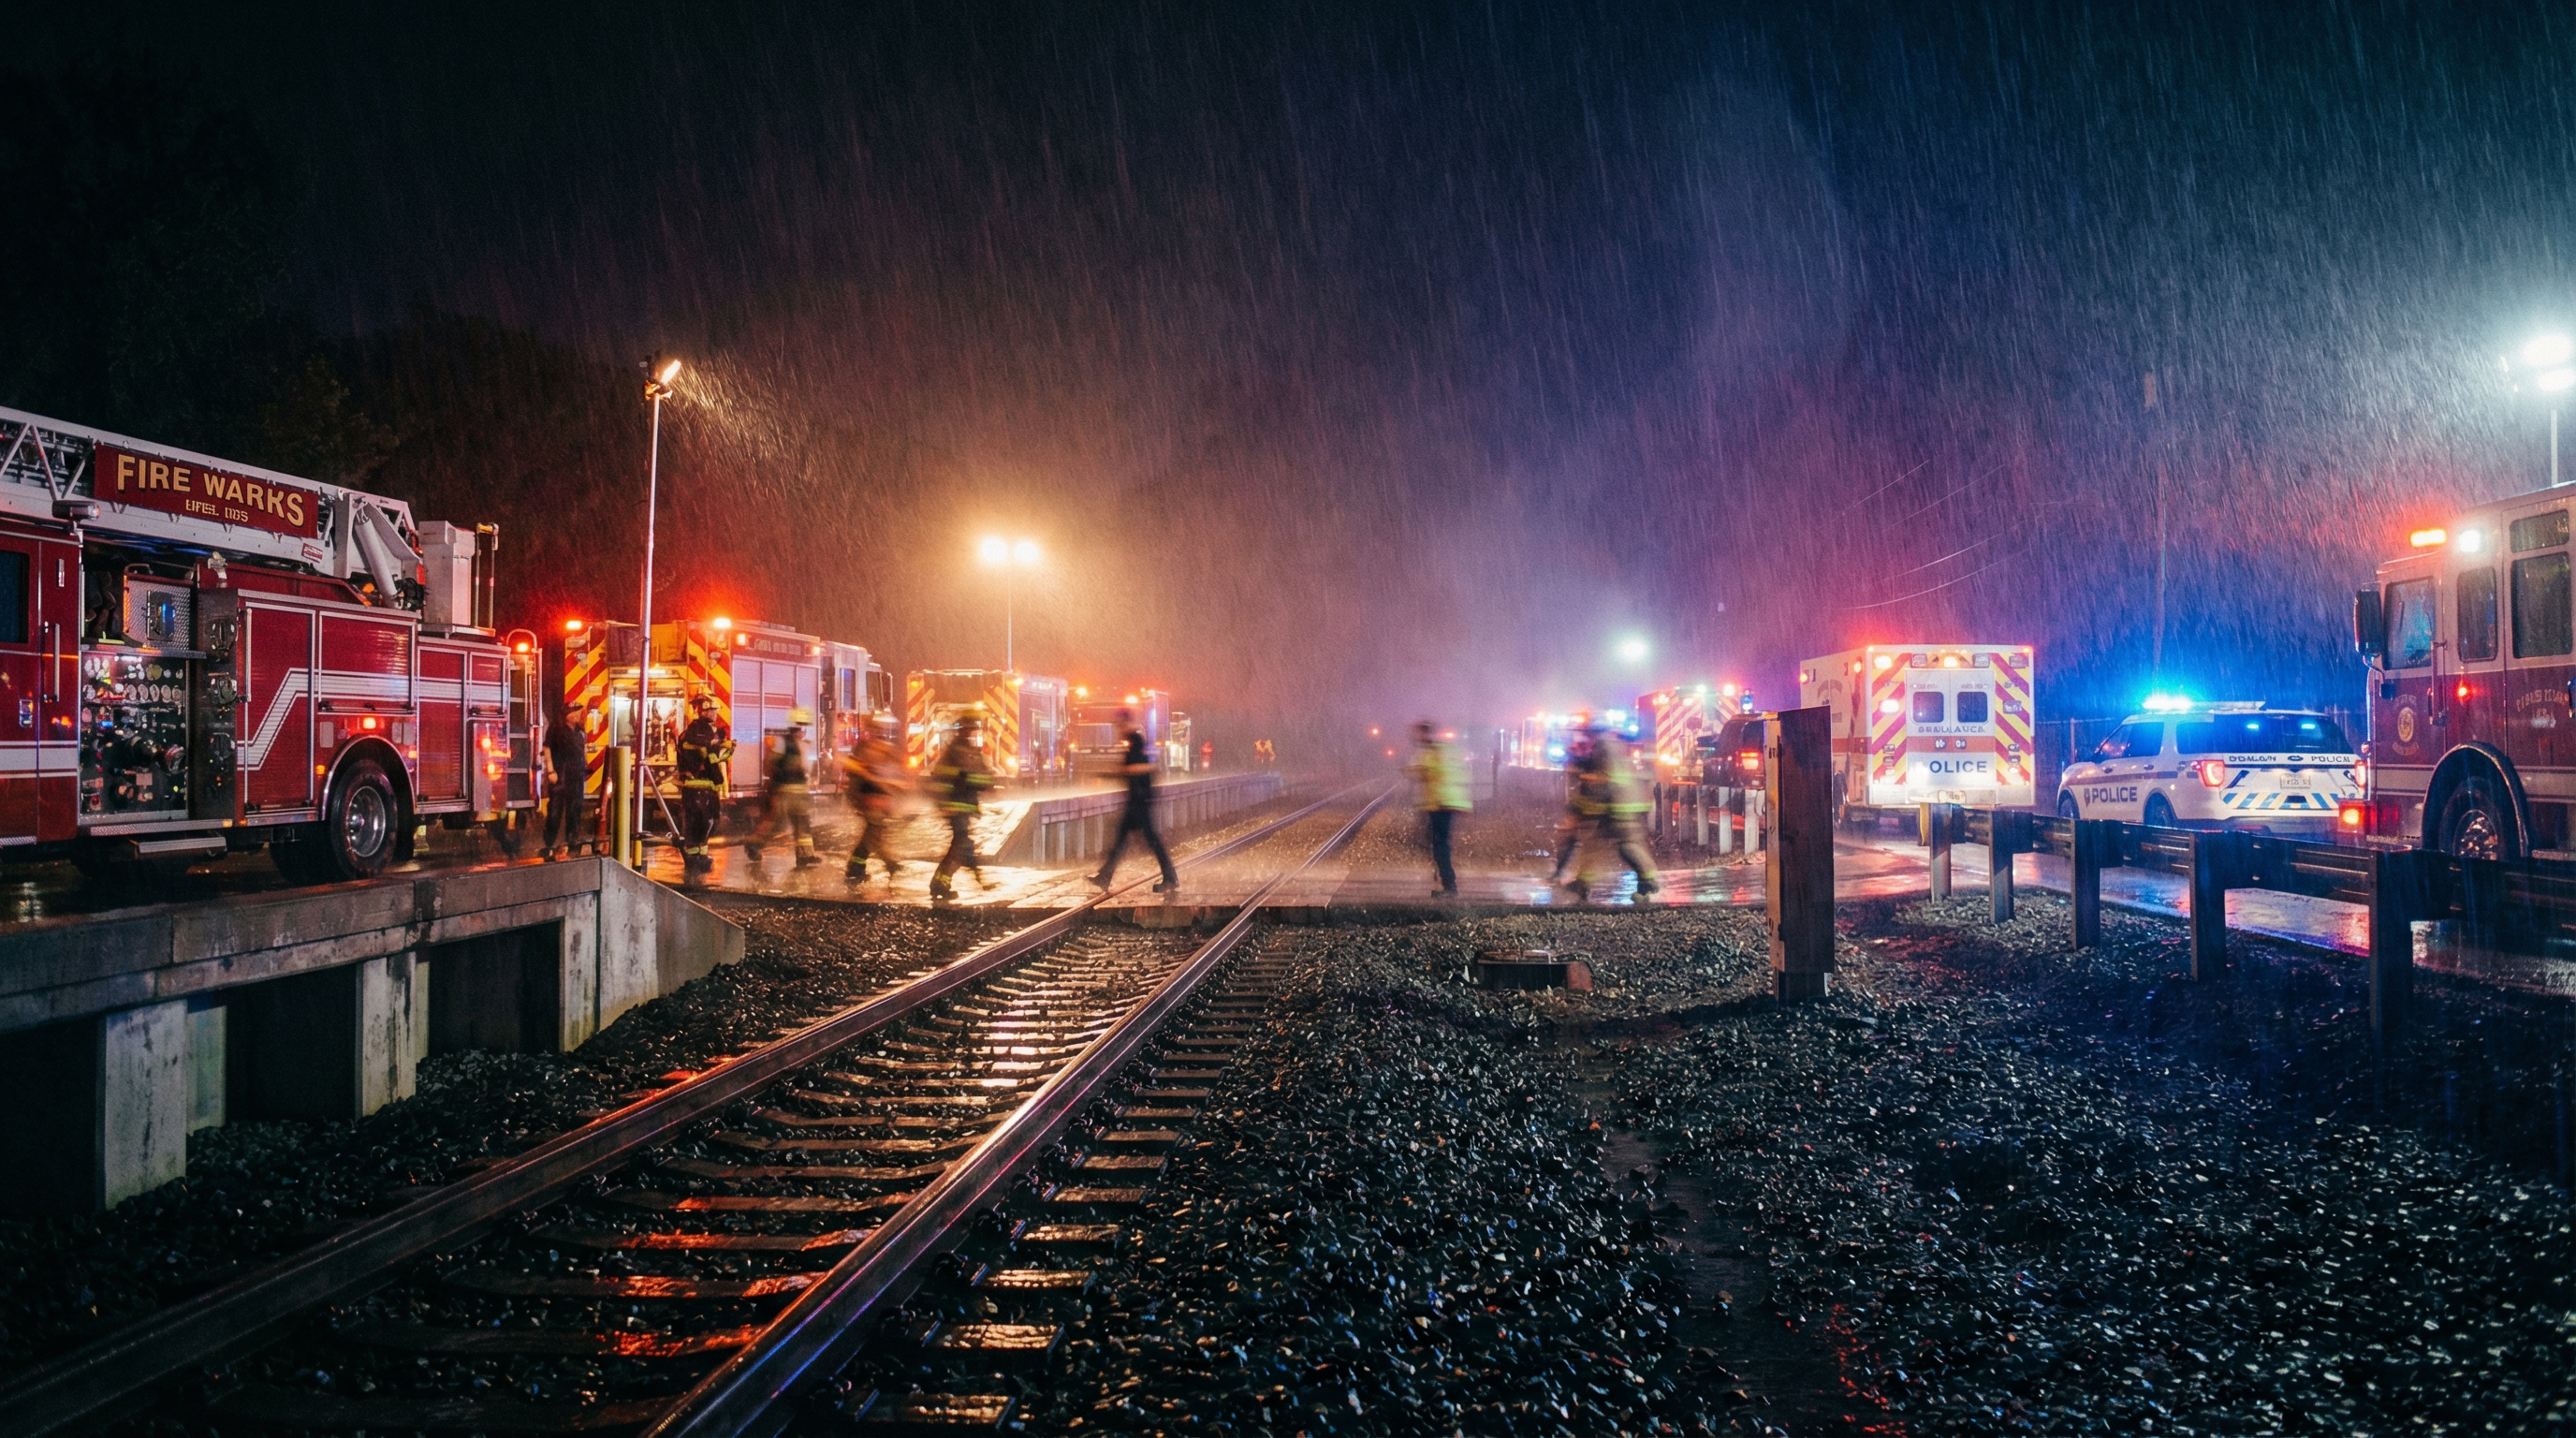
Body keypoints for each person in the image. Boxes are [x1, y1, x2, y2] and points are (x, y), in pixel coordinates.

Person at [1558, 724, 1661, 902]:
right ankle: (1583, 882)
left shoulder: (1603, 747)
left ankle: (1648, 880)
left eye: (1586, 734)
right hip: (1618, 804)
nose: (1584, 738)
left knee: (1627, 846)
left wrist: (1580, 808)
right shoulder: (1608, 746)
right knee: (1594, 844)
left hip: (1620, 806)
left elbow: (1603, 780)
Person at [1090, 709, 1178, 893]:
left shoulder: (1136, 739)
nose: (1118, 728)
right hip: (1137, 798)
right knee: (1123, 839)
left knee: (1149, 840)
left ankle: (1170, 877)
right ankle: (1104, 877)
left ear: (1125, 722)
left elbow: (1143, 766)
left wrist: (1116, 772)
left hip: (1140, 799)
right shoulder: (1132, 741)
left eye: (1119, 724)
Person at [929, 712, 996, 900]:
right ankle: (943, 884)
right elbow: (967, 777)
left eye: (972, 730)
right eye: (968, 729)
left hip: (963, 806)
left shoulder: (968, 751)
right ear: (962, 730)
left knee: (960, 846)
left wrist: (988, 783)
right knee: (962, 846)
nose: (970, 733)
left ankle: (940, 883)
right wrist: (986, 783)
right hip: (955, 806)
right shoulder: (958, 752)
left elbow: (978, 775)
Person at [746, 709, 820, 868]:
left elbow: (806, 768)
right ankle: (753, 845)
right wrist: (775, 789)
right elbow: (770, 765)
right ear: (794, 727)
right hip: (784, 791)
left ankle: (805, 856)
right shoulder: (782, 743)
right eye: (801, 727)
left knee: (803, 823)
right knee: (777, 824)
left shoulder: (803, 745)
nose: (803, 730)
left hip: (800, 791)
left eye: (804, 727)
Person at [1407, 721, 1472, 895]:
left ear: (1424, 733)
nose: (1417, 738)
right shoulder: (1447, 749)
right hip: (1449, 802)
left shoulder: (1431, 752)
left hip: (1440, 804)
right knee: (1439, 843)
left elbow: (1421, 772)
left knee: (1440, 845)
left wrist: (1415, 770)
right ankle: (1447, 882)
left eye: (1419, 733)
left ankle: (1450, 886)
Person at [675, 694, 734, 877]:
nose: (715, 714)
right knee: (698, 823)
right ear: (702, 711)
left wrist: (728, 749)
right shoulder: (697, 732)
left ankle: (700, 856)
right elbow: (706, 753)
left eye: (715, 710)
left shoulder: (706, 731)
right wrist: (719, 743)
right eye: (711, 710)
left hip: (706, 787)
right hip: (697, 787)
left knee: (708, 823)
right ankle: (693, 858)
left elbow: (713, 758)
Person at [842, 731, 907, 884]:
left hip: (875, 803)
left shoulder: (870, 762)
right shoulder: (863, 765)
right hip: (870, 803)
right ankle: (887, 864)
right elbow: (865, 784)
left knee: (872, 837)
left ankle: (857, 868)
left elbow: (879, 781)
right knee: (873, 837)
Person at [539, 701, 592, 859]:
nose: (576, 715)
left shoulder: (580, 731)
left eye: (578, 711)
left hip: (577, 773)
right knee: (555, 811)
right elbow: (547, 748)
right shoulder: (556, 729)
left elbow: (583, 750)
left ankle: (572, 841)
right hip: (561, 773)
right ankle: (549, 844)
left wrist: (586, 765)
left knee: (575, 809)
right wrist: (551, 771)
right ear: (565, 714)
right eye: (573, 712)